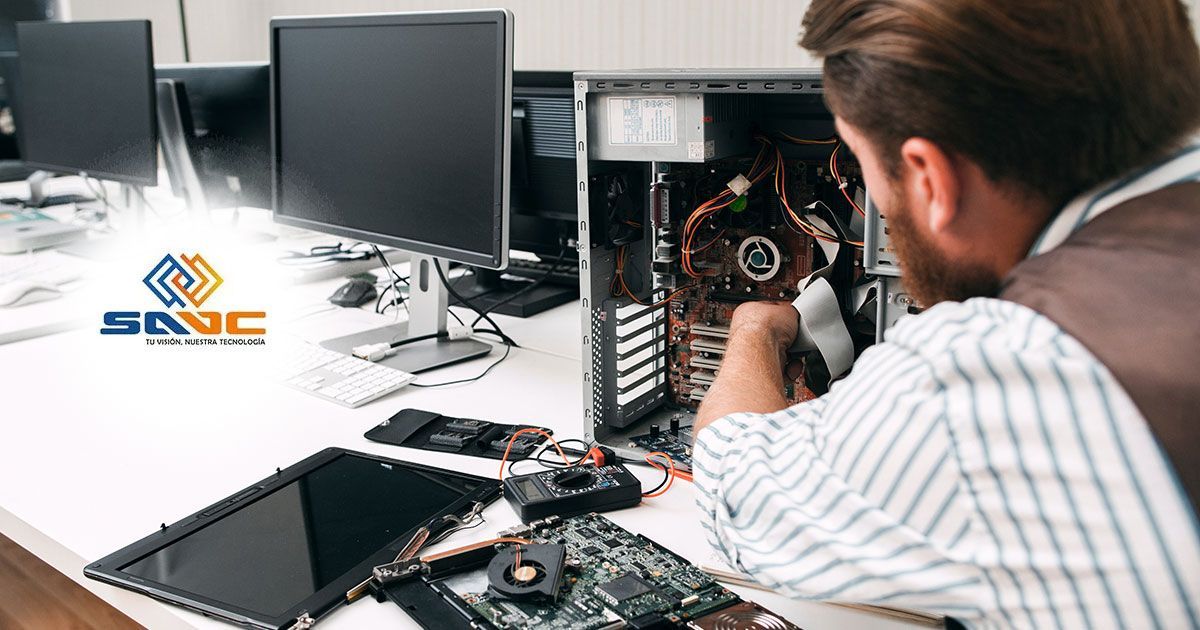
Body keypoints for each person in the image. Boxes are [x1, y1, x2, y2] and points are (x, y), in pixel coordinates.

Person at [692, 1, 1200, 627]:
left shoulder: (998, 372)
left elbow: (735, 494)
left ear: (932, 178)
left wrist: (752, 329)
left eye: (861, 164)